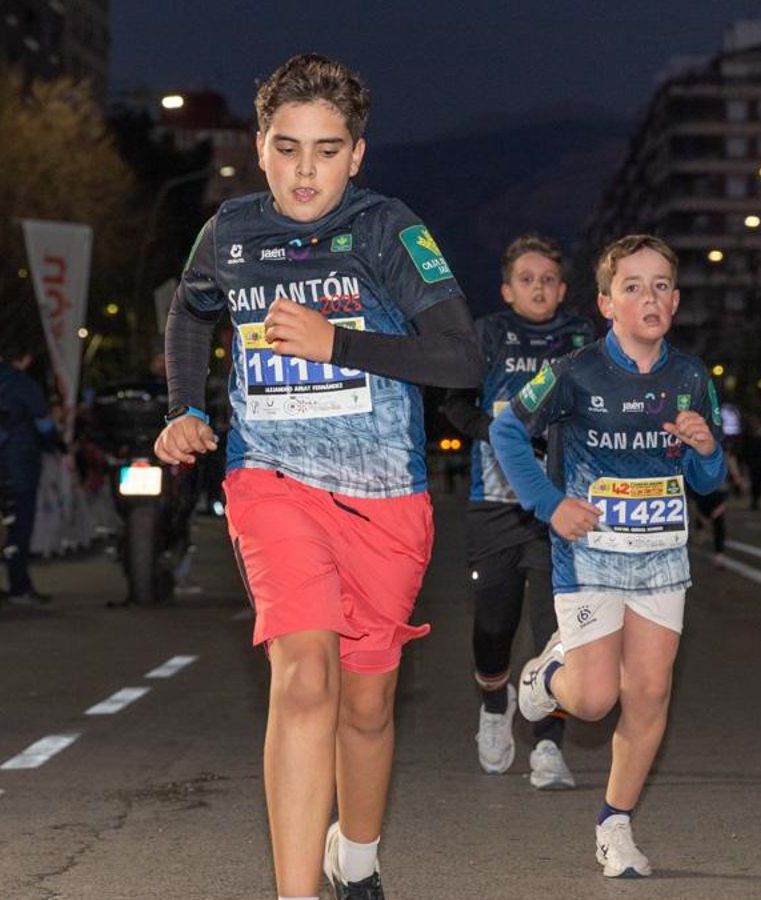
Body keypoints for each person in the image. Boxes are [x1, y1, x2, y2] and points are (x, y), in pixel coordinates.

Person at [153, 54, 482, 900]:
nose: (306, 170)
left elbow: (459, 355)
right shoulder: (228, 231)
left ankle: (357, 855)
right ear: (259, 147)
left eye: (327, 151)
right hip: (271, 481)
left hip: (384, 497)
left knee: (366, 710)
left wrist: (340, 343)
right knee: (303, 680)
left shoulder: (386, 229)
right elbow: (189, 312)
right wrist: (185, 405)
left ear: (357, 156)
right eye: (288, 148)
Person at [491, 234, 724, 879]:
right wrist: (547, 502)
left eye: (659, 286)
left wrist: (705, 449)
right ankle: (543, 679)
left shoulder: (692, 378)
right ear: (605, 303)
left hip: (661, 558)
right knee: (593, 700)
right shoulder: (574, 372)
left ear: (674, 301)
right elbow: (507, 427)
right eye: (632, 286)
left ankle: (614, 824)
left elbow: (709, 481)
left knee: (648, 694)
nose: (647, 296)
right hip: (588, 553)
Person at [441, 233, 594, 789]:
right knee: (493, 627)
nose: (538, 287)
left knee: (557, 632)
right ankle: (492, 705)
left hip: (559, 507)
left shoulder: (581, 337)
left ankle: (550, 744)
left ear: (562, 290)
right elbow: (454, 406)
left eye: (548, 280)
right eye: (526, 279)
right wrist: (501, 434)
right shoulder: (486, 335)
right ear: (508, 289)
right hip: (496, 503)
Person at [0, 347, 58, 606]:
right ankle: (19, 586)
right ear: (25, 357)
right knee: (20, 527)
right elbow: (43, 422)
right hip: (19, 463)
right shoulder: (22, 383)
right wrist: (56, 444)